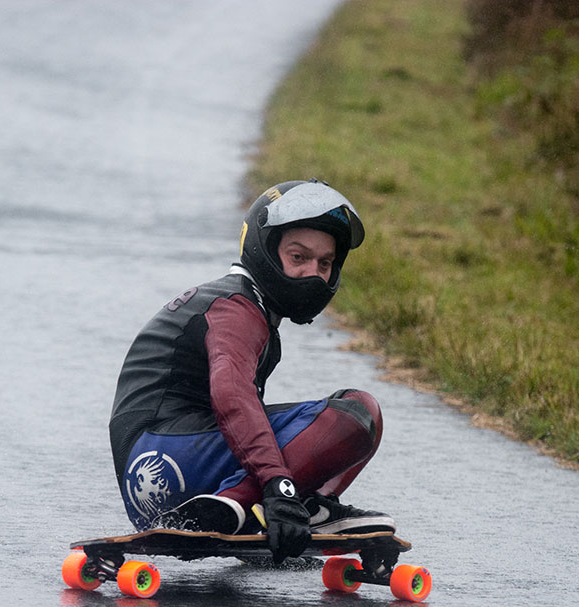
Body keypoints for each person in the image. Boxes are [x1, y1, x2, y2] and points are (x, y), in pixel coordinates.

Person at [108, 179, 394, 563]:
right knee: (357, 413)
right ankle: (245, 504)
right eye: (298, 257)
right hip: (165, 462)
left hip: (154, 480)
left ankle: (301, 510)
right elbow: (232, 396)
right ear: (266, 251)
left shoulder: (239, 304)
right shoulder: (237, 308)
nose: (314, 275)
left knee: (347, 431)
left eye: (325, 264)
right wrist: (279, 487)